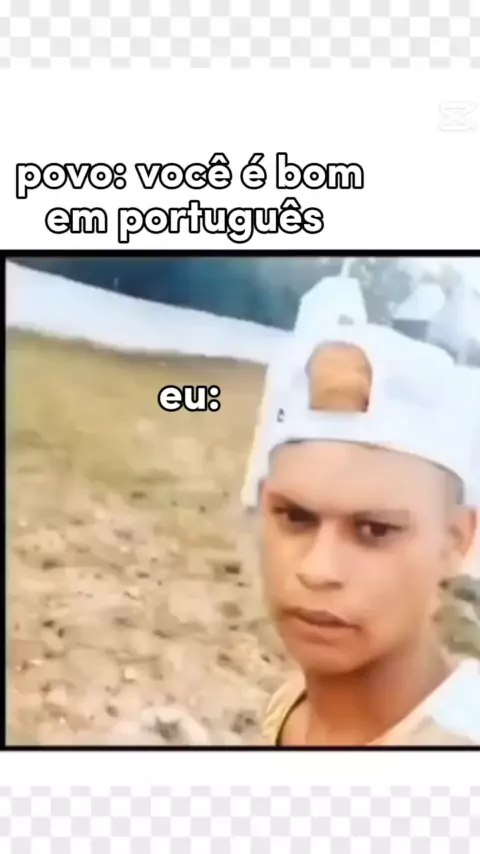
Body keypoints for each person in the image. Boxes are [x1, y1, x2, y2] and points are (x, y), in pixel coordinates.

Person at [251, 322, 480, 746]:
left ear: (454, 542)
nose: (317, 570)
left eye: (375, 530)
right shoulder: (290, 707)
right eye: (296, 517)